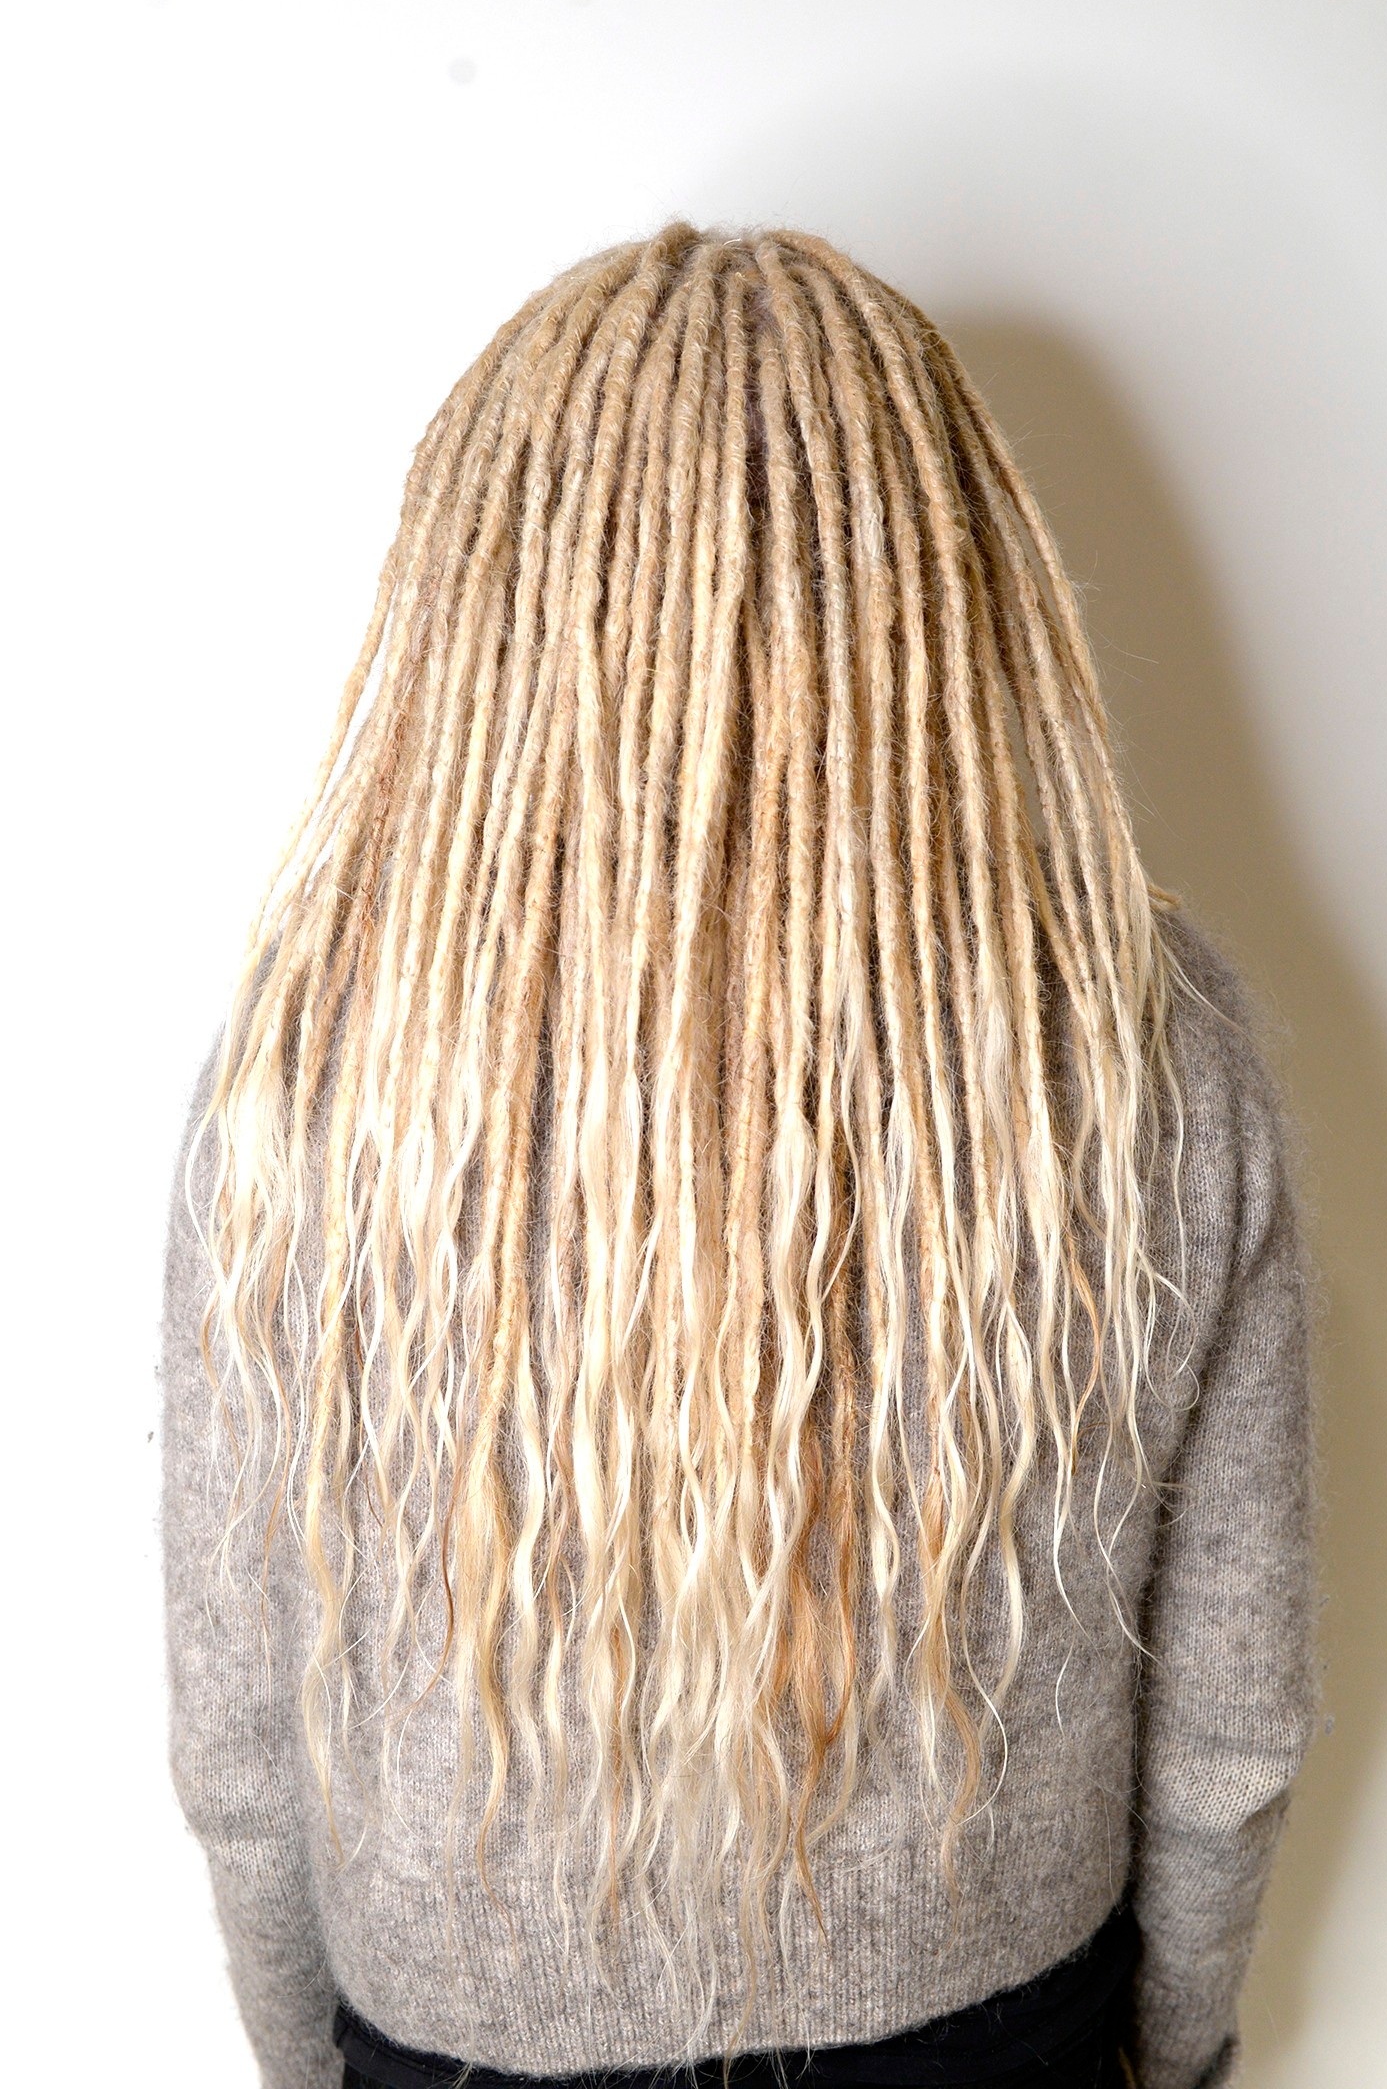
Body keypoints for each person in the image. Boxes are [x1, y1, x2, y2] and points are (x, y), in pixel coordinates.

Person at [160, 224, 1319, 2089]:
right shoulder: (1141, 1053)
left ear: (487, 593)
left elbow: (236, 1741)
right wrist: (1171, 2057)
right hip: (999, 2030)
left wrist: (314, 2063)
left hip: (449, 2041)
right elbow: (1230, 1730)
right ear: (950, 576)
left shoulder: (315, 1079)